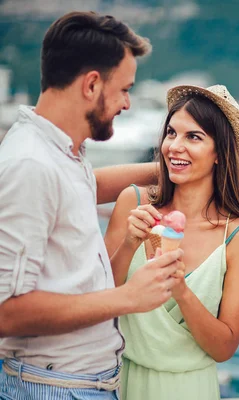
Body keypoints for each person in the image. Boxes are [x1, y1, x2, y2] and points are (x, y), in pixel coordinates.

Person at [0, 11, 186, 399]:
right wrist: (128, 297)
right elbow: (6, 311)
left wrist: (169, 169)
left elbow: (86, 187)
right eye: (124, 89)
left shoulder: (60, 150)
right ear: (91, 84)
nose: (127, 104)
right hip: (50, 389)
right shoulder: (31, 164)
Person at [103, 84, 239, 400]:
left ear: (220, 153)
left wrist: (181, 290)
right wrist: (129, 244)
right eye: (171, 133)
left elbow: (224, 348)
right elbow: (98, 303)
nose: (175, 146)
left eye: (194, 137)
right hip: (116, 382)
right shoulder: (132, 202)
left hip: (189, 389)